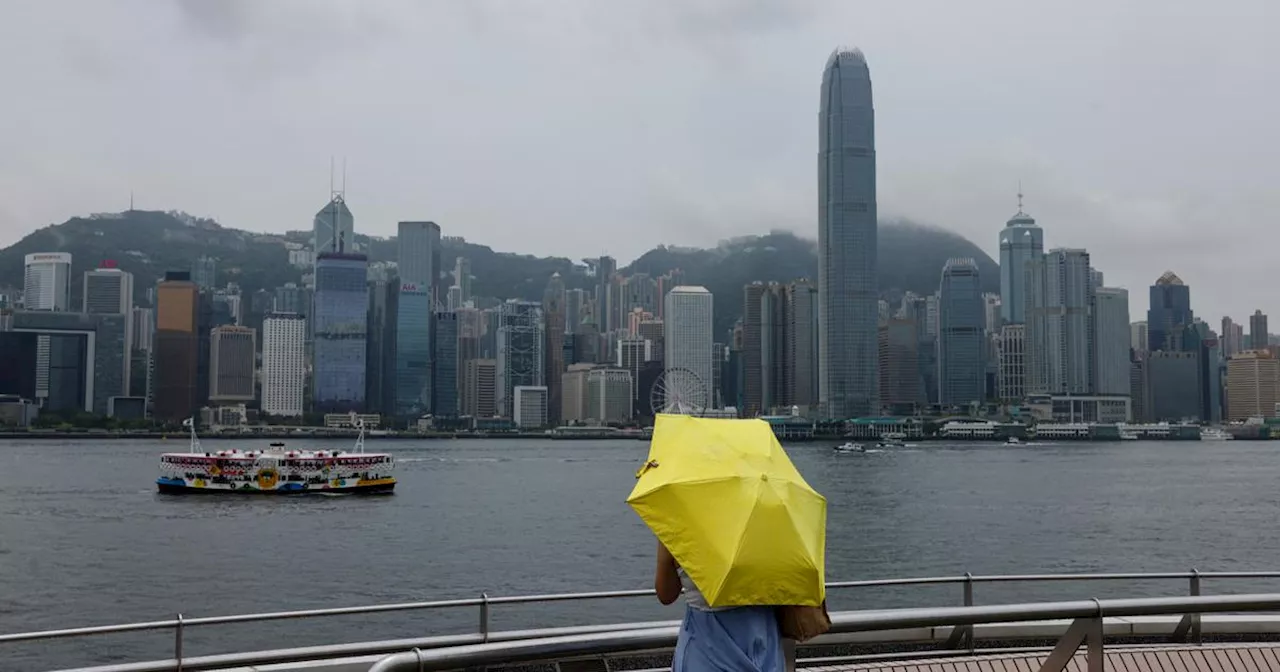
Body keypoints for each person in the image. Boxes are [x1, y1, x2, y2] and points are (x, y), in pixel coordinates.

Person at [655, 541, 784, 672]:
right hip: (763, 640)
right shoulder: (766, 529)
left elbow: (666, 594)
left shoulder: (683, 524)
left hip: (703, 646)